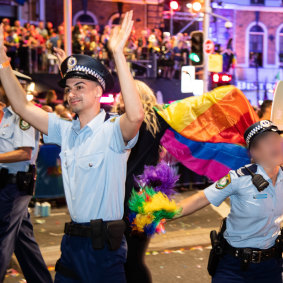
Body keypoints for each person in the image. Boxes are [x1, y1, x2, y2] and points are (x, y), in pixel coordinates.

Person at [0, 10, 144, 282]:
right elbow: (21, 105)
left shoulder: (112, 131)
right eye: (68, 88)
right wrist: (2, 59)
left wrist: (118, 54)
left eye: (80, 86)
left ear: (99, 92)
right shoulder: (65, 131)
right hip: (71, 245)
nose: (71, 93)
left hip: (104, 249)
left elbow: (136, 116)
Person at [179, 120, 283, 283]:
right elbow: (202, 198)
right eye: (267, 142)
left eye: (277, 140)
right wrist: (163, 212)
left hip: (271, 267)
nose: (275, 145)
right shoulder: (238, 178)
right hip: (234, 267)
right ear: (254, 152)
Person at [113, 80, 169, 283]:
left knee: (127, 259)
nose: (119, 101)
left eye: (122, 97)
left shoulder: (124, 121)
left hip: (127, 194)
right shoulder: (160, 119)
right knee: (134, 258)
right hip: (148, 196)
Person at [0, 76, 52, 282]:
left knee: (2, 236)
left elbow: (24, 153)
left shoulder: (24, 116)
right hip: (6, 182)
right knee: (24, 242)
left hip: (16, 183)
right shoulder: (5, 115)